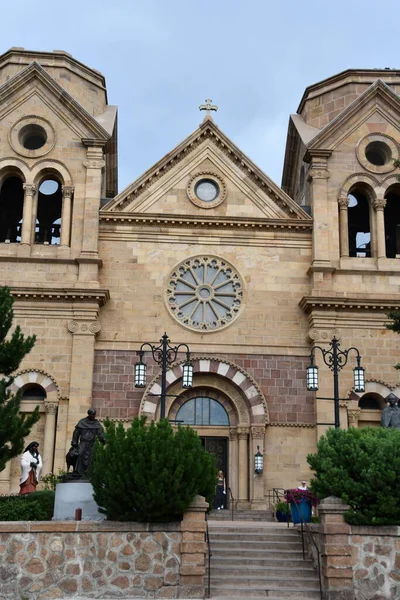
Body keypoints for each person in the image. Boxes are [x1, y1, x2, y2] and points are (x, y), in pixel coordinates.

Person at [69, 408, 105, 478]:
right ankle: (78, 472)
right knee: (79, 454)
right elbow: (76, 433)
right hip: (83, 443)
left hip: (92, 444)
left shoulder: (96, 423)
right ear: (89, 414)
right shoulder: (82, 422)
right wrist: (74, 443)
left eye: (94, 415)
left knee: (94, 456)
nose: (93, 416)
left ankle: (91, 473)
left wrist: (103, 438)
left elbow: (100, 433)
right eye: (92, 415)